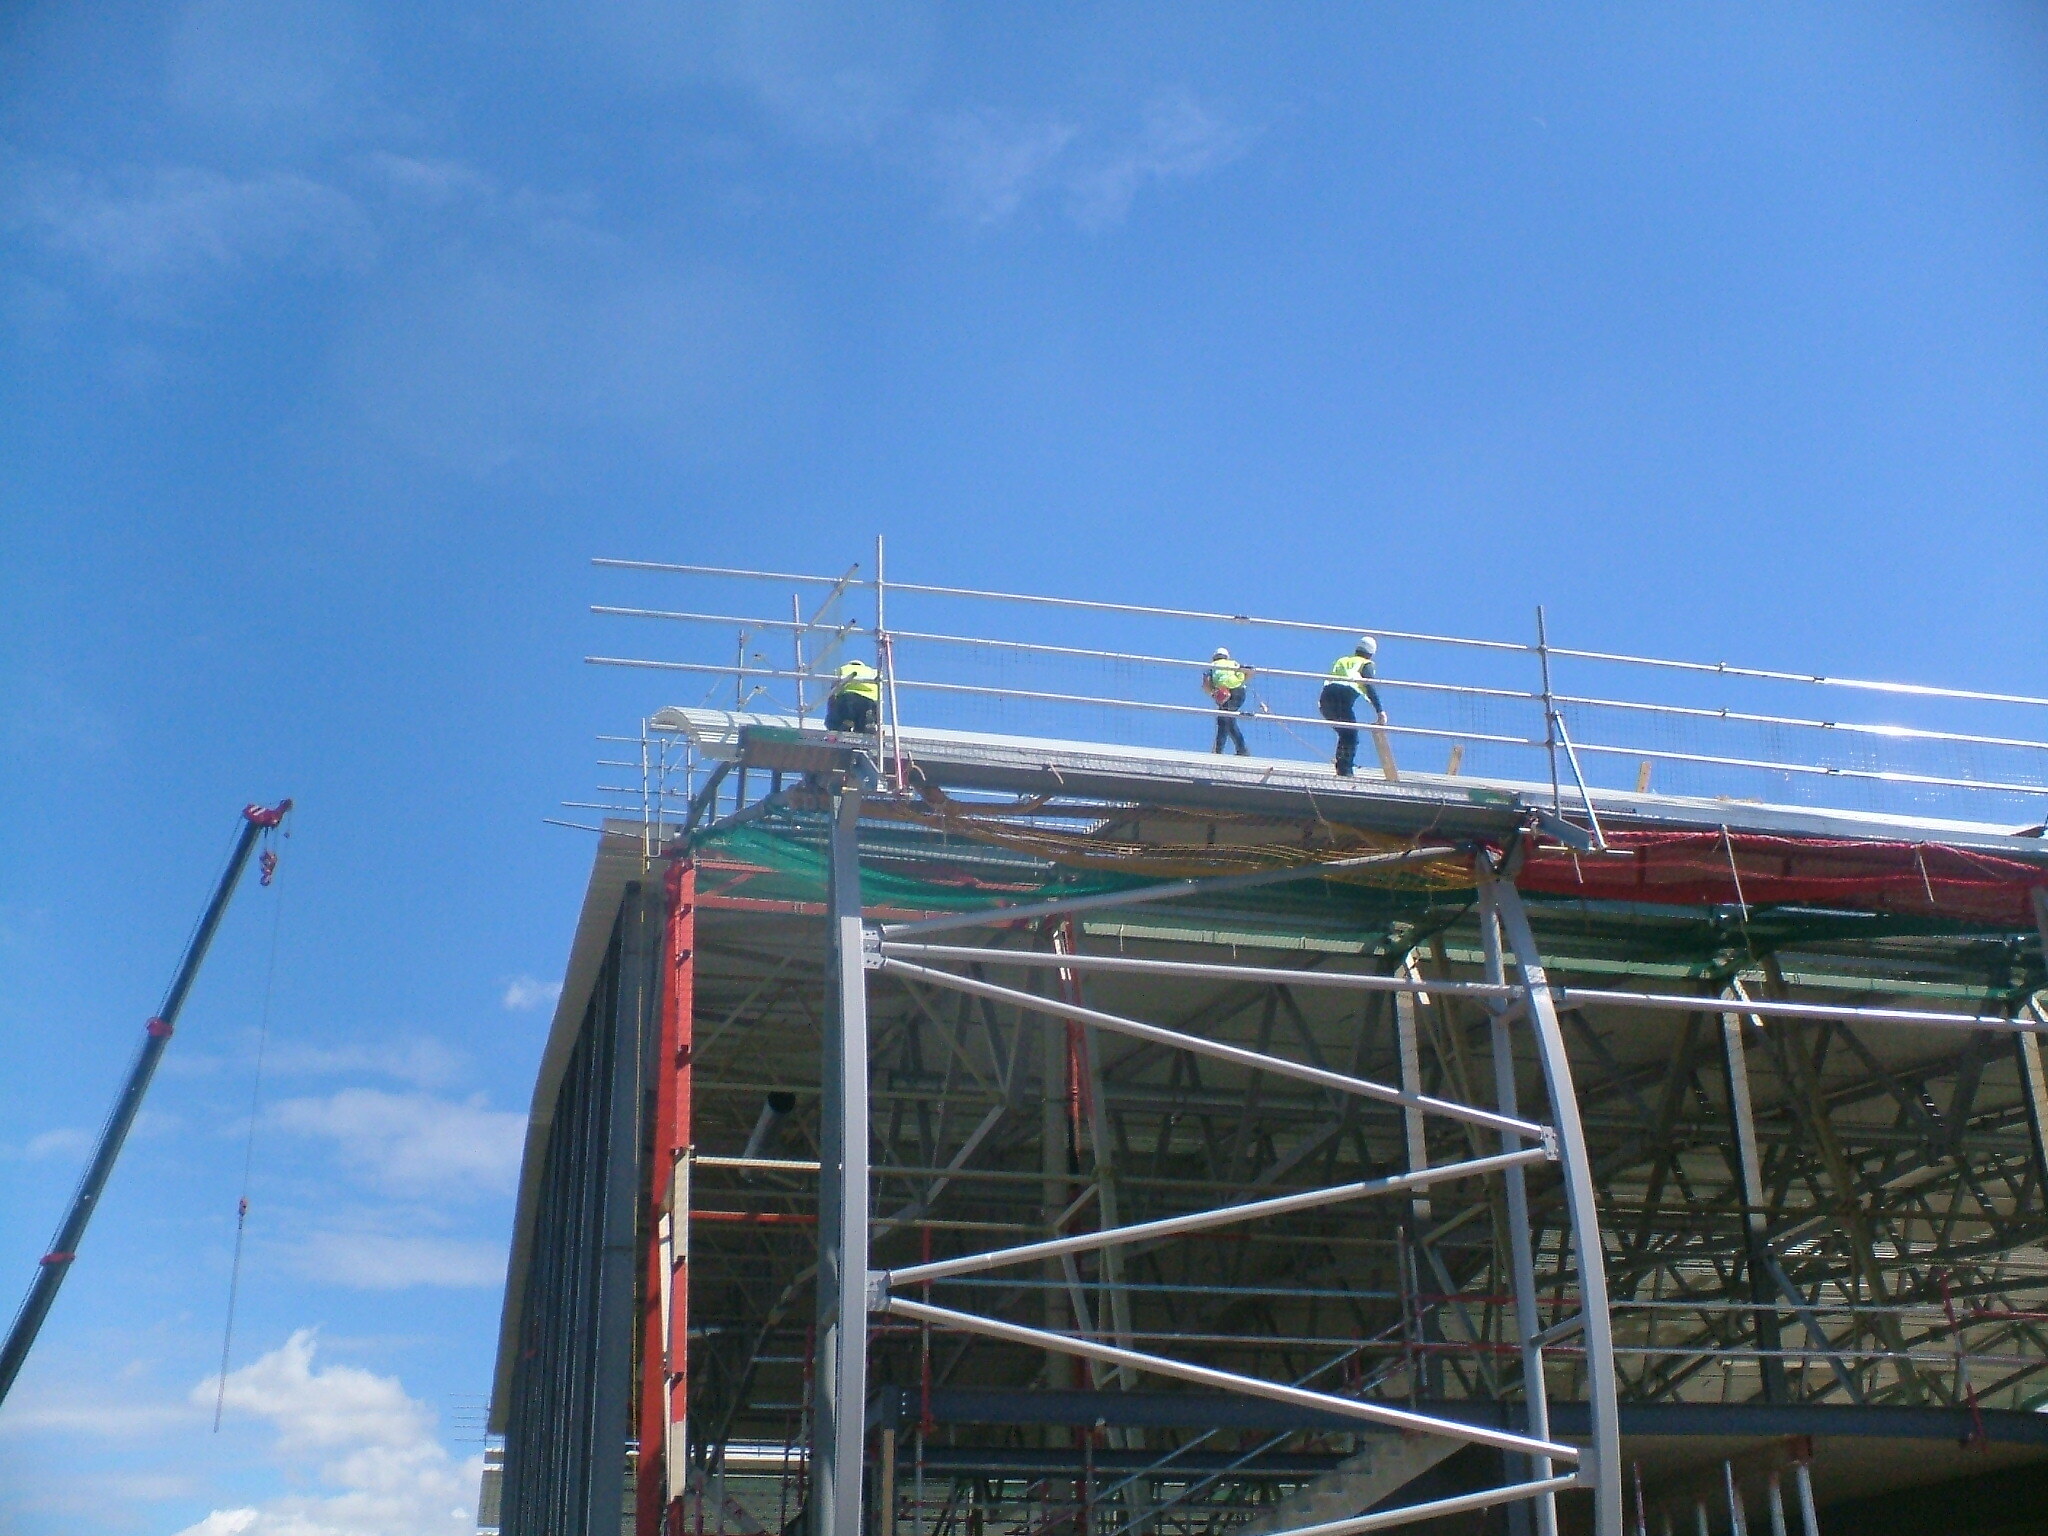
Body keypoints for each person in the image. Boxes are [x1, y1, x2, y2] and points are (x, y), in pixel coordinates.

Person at [1318, 636, 1388, 777]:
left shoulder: (1343, 660)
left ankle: (1342, 766)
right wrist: (1380, 711)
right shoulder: (1366, 663)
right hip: (1343, 697)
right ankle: (1345, 771)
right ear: (1371, 653)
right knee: (1351, 735)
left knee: (1345, 733)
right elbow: (1368, 685)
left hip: (1326, 698)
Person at [1203, 648, 1252, 755]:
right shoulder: (1234, 663)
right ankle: (1233, 749)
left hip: (1224, 692)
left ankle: (1224, 750)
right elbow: (1247, 673)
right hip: (1239, 692)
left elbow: (1206, 682)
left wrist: (1213, 693)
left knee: (1225, 720)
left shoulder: (1213, 666)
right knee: (1226, 719)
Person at [825, 659, 881, 732]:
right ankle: (868, 722)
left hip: (848, 700)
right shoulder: (873, 672)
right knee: (862, 725)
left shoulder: (841, 669)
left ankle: (847, 721)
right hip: (869, 702)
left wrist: (832, 718)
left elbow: (832, 693)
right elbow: (880, 693)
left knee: (835, 720)